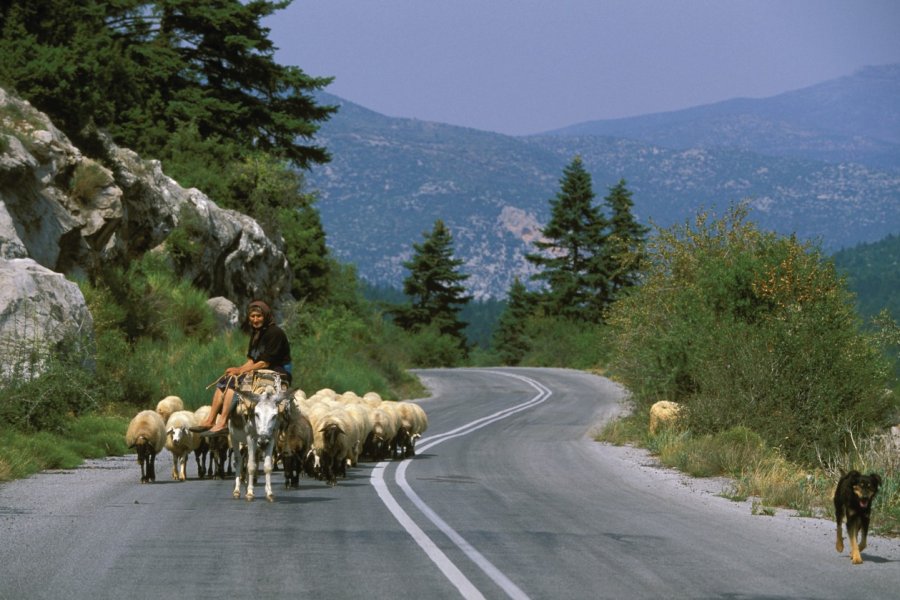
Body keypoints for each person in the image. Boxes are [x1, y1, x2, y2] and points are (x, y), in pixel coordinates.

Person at [195, 300, 292, 435]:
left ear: (265, 316)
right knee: (225, 380)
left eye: (259, 316)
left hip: (278, 369)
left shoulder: (275, 333)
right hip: (262, 367)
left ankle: (222, 423)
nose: (255, 319)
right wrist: (237, 369)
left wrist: (240, 371)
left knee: (236, 383)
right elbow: (252, 360)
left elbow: (265, 362)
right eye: (252, 316)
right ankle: (210, 420)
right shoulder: (256, 333)